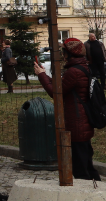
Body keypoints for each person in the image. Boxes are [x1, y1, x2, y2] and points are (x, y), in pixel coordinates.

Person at [33, 37, 101, 181]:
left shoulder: (74, 71)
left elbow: (56, 93)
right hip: (82, 122)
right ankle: (98, 188)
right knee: (87, 164)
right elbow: (62, 86)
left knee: (81, 168)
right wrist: (44, 74)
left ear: (69, 54)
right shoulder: (82, 67)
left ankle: (89, 191)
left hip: (77, 123)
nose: (62, 55)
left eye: (63, 52)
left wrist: (41, 76)